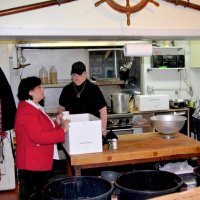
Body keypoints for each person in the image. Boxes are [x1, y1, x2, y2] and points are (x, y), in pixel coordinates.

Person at [14, 76, 70, 200]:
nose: (43, 89)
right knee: (33, 196)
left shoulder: (33, 107)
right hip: (31, 164)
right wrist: (63, 130)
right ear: (30, 92)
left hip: (37, 162)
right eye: (39, 87)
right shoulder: (26, 110)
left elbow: (43, 129)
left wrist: (57, 123)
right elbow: (38, 137)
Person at [58, 61, 107, 136]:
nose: (76, 77)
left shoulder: (94, 89)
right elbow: (60, 108)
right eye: (74, 74)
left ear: (85, 74)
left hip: (92, 129)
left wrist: (103, 130)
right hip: (73, 130)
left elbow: (103, 110)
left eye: (79, 74)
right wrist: (63, 117)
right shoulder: (67, 90)